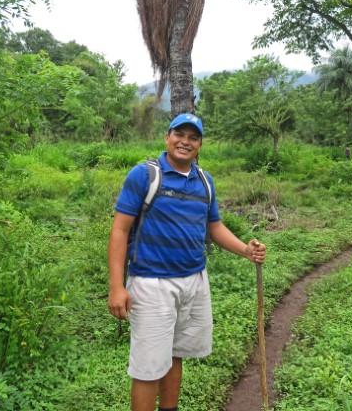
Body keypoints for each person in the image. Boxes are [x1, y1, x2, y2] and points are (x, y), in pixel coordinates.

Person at [107, 113, 267, 411]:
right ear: (167, 138)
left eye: (193, 137)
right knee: (147, 367)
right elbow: (120, 230)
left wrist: (245, 249)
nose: (185, 141)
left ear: (200, 145)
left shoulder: (205, 182)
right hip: (151, 284)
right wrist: (116, 286)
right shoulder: (144, 175)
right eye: (179, 134)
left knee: (174, 354)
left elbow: (214, 226)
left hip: (194, 280)